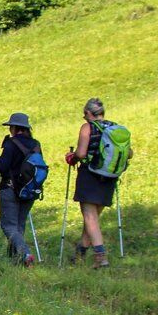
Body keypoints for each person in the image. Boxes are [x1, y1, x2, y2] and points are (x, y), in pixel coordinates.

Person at [64, 97, 131, 269]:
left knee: (89, 217)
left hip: (90, 175)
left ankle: (101, 258)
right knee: (92, 219)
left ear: (88, 113)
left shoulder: (87, 127)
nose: (83, 117)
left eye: (84, 114)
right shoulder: (116, 128)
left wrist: (72, 157)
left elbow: (80, 153)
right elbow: (129, 153)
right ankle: (79, 255)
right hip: (109, 178)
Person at [0, 112, 42, 265]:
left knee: (8, 226)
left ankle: (25, 255)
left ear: (14, 128)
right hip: (29, 190)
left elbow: (2, 167)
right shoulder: (36, 145)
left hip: (10, 189)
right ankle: (16, 260)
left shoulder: (11, 144)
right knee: (19, 226)